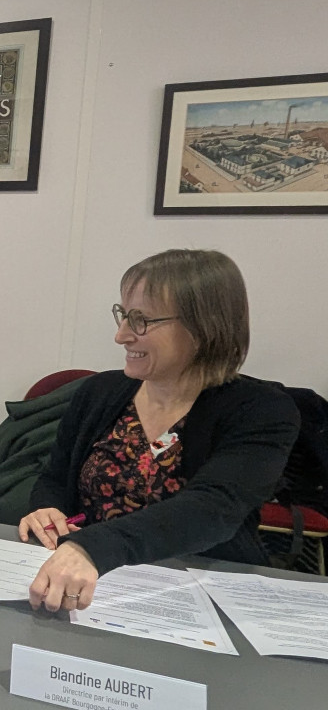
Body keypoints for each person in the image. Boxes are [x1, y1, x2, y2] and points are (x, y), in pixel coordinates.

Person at [20, 249, 299, 613]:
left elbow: (211, 510)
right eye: (123, 315)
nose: (121, 336)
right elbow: (55, 478)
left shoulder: (262, 411)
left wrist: (94, 547)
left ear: (204, 327)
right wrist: (46, 509)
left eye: (141, 321)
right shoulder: (97, 393)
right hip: (87, 587)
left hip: (194, 596)